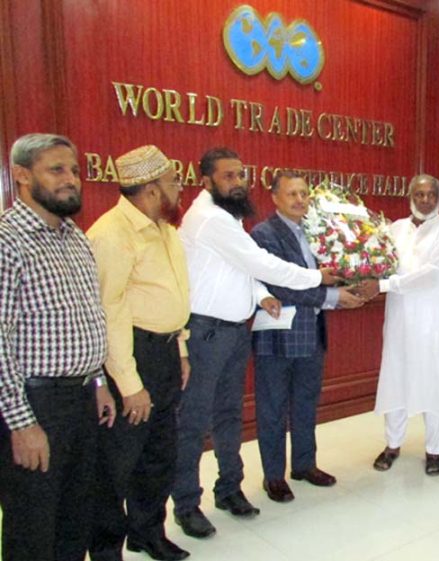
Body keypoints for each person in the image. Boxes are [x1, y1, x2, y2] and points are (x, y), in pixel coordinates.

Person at [172, 148, 337, 539]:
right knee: (194, 424)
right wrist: (318, 279)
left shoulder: (229, 217)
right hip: (205, 332)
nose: (238, 182)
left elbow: (242, 270)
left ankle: (228, 489)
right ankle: (185, 505)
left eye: (241, 175)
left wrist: (260, 295)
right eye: (228, 177)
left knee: (229, 416)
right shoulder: (210, 219)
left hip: (231, 332)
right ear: (206, 182)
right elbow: (259, 262)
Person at [0, 133, 115, 561]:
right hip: (34, 404)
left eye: (74, 170)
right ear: (21, 175)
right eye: (57, 170)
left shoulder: (75, 237)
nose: (71, 180)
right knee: (34, 524)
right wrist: (21, 424)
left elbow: (90, 315)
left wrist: (98, 381)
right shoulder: (8, 241)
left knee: (75, 517)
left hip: (82, 398)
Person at [86, 145, 192, 561]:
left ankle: (148, 532)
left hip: (165, 353)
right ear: (150, 189)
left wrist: (181, 348)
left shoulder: (165, 228)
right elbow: (109, 312)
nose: (178, 189)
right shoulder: (111, 234)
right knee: (118, 463)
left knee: (160, 453)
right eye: (172, 182)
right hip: (132, 357)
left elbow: (175, 297)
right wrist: (129, 385)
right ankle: (107, 548)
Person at [250, 172, 363, 503]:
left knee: (305, 404)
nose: (300, 200)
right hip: (278, 335)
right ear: (274, 198)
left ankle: (304, 465)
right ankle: (274, 476)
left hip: (311, 333)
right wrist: (334, 297)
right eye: (292, 194)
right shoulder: (264, 234)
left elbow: (327, 274)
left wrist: (347, 284)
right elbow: (283, 286)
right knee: (272, 409)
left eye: (304, 194)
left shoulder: (317, 233)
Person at [358, 174, 439, 475]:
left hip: (433, 322)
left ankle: (435, 450)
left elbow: (433, 274)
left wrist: (384, 285)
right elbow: (376, 263)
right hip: (400, 320)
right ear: (410, 196)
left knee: (436, 382)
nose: (425, 200)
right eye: (419, 194)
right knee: (395, 379)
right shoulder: (394, 229)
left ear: (438, 197)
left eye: (431, 194)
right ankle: (392, 444)